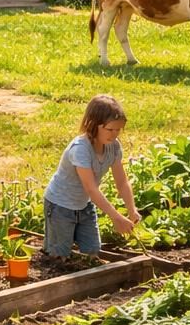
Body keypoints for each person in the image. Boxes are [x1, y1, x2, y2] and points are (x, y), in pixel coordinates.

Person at [43, 94, 141, 257]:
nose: (114, 134)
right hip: (60, 206)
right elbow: (91, 189)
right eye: (109, 129)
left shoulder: (113, 147)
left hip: (84, 205)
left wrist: (132, 210)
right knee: (59, 255)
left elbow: (122, 182)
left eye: (118, 129)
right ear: (93, 125)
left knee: (92, 251)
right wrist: (116, 217)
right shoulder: (80, 149)